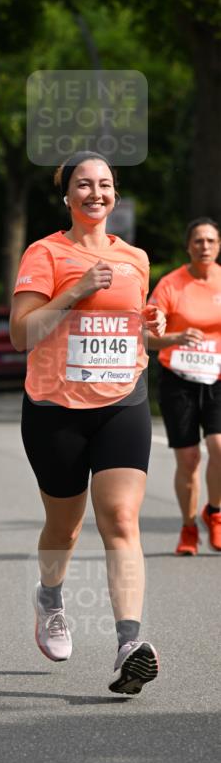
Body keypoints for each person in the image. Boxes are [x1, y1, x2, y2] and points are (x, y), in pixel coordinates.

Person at [9, 151, 166, 696]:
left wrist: (152, 325)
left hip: (124, 398)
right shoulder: (45, 253)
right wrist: (75, 290)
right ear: (67, 196)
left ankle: (129, 644)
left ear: (114, 195)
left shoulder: (137, 258)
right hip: (56, 408)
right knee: (66, 527)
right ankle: (50, 599)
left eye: (104, 184)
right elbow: (22, 334)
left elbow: (130, 325)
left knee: (121, 518)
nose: (95, 193)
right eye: (83, 184)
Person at [148, 217, 221, 554]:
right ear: (188, 246)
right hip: (178, 378)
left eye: (210, 241)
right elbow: (147, 334)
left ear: (218, 245)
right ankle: (189, 526)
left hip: (217, 377)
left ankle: (215, 514)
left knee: (219, 447)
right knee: (189, 459)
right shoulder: (170, 285)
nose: (204, 247)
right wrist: (176, 337)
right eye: (198, 241)